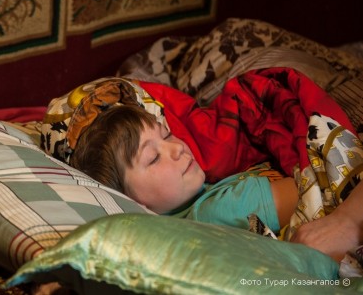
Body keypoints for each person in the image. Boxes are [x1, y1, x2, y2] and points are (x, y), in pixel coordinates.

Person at [69, 102, 363, 263]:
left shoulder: (200, 209)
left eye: (167, 134)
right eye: (153, 158)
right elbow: (309, 192)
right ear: (132, 203)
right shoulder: (216, 211)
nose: (177, 147)